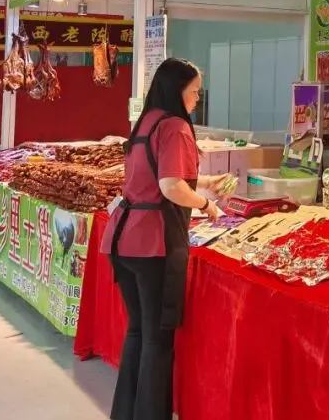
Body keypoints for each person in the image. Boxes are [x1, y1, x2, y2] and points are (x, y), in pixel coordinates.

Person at [99, 58, 230, 420]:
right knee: (157, 338)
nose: (198, 98)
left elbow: (156, 176)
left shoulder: (147, 120)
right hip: (152, 242)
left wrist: (205, 183)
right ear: (177, 90)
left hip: (123, 238)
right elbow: (171, 186)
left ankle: (126, 412)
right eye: (195, 91)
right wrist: (207, 204)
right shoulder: (175, 126)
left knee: (138, 331)